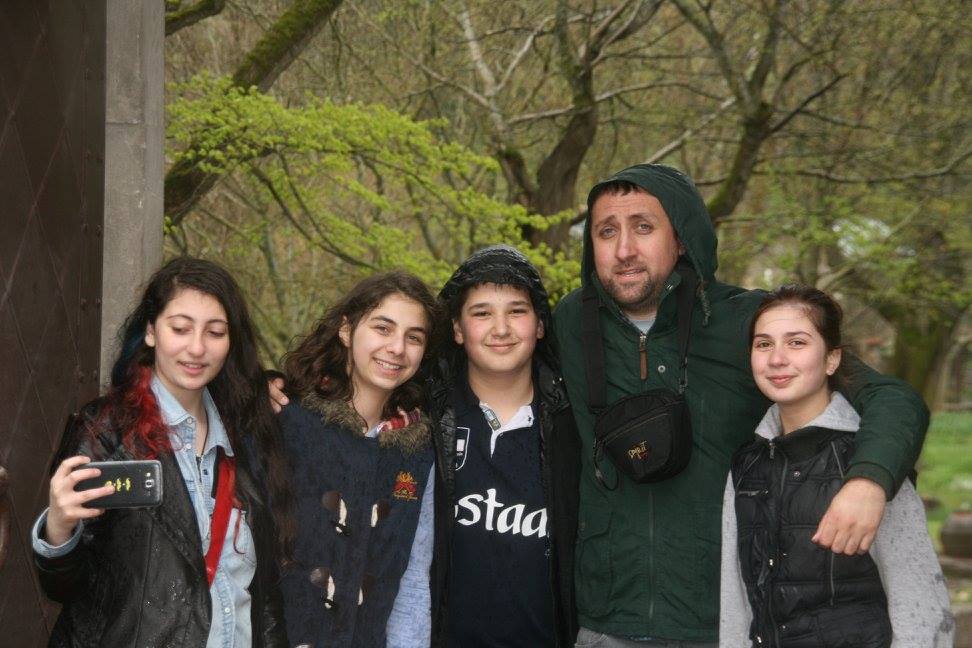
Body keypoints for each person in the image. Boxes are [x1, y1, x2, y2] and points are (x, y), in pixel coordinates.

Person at [552, 164, 929, 646]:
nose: (624, 250)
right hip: (605, 622)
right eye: (607, 232)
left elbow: (891, 398)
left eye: (643, 227)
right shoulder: (571, 322)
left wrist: (869, 481)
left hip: (726, 622)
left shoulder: (749, 323)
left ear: (682, 238)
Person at [32, 257, 293, 647]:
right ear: (151, 331)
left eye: (215, 332)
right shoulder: (107, 431)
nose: (197, 348)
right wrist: (58, 529)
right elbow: (65, 588)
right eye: (180, 328)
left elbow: (262, 591)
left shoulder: (245, 434)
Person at [719, 285, 953, 647]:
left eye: (797, 343)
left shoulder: (870, 462)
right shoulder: (746, 466)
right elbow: (736, 606)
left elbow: (921, 607)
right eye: (764, 344)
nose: (776, 359)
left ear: (832, 359)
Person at [276, 271, 440, 648]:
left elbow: (413, 582)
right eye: (383, 328)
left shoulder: (418, 451)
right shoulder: (287, 421)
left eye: (414, 337)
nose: (397, 348)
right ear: (346, 330)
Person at [428, 245, 580, 647]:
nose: (501, 329)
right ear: (457, 329)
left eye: (516, 311)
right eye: (482, 313)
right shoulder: (424, 418)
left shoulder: (576, 425)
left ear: (540, 325)